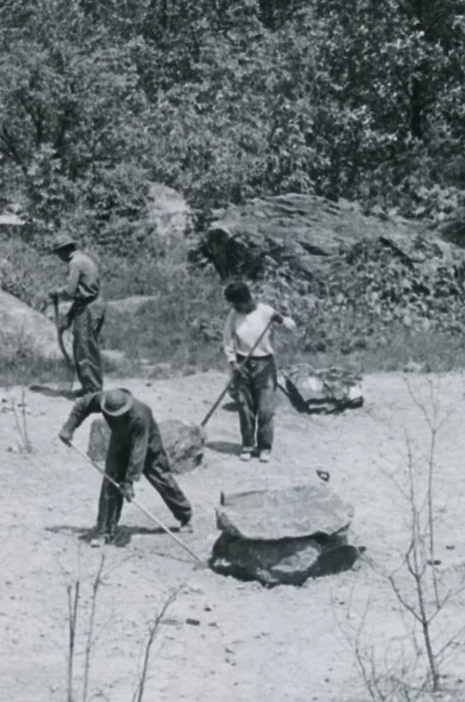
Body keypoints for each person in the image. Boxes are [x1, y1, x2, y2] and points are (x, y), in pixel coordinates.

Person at [58, 386, 193, 545]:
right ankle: (104, 531)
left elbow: (138, 451)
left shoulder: (140, 416)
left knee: (163, 480)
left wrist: (129, 482)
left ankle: (184, 515)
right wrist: (69, 427)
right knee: (110, 481)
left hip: (149, 447)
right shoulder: (103, 400)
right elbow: (81, 405)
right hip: (120, 442)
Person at [222, 280, 299, 461]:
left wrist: (280, 319)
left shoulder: (265, 311)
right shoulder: (234, 315)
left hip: (265, 364)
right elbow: (227, 339)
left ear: (245, 299)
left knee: (265, 408)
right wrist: (233, 363)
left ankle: (264, 446)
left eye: (236, 303)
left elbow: (290, 325)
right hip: (242, 364)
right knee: (245, 407)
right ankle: (248, 445)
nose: (234, 307)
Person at [47, 233, 105, 393]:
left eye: (58, 253)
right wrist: (69, 317)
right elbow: (81, 293)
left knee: (84, 348)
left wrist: (56, 292)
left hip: (88, 308)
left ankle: (93, 391)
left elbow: (69, 291)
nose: (59, 257)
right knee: (86, 347)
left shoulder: (75, 263)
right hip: (91, 305)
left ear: (65, 250)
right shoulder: (85, 260)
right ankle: (90, 387)